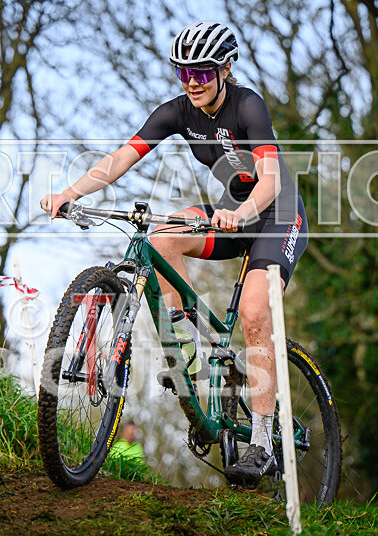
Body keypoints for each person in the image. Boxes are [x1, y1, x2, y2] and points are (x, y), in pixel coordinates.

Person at [41, 20, 308, 485]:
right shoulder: (177, 111)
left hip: (276, 214)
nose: (192, 83)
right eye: (183, 73)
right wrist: (70, 193)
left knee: (252, 312)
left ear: (225, 68)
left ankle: (263, 441)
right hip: (229, 213)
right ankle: (185, 352)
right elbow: (122, 158)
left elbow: (271, 181)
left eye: (202, 73)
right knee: (164, 233)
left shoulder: (249, 106)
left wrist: (242, 212)